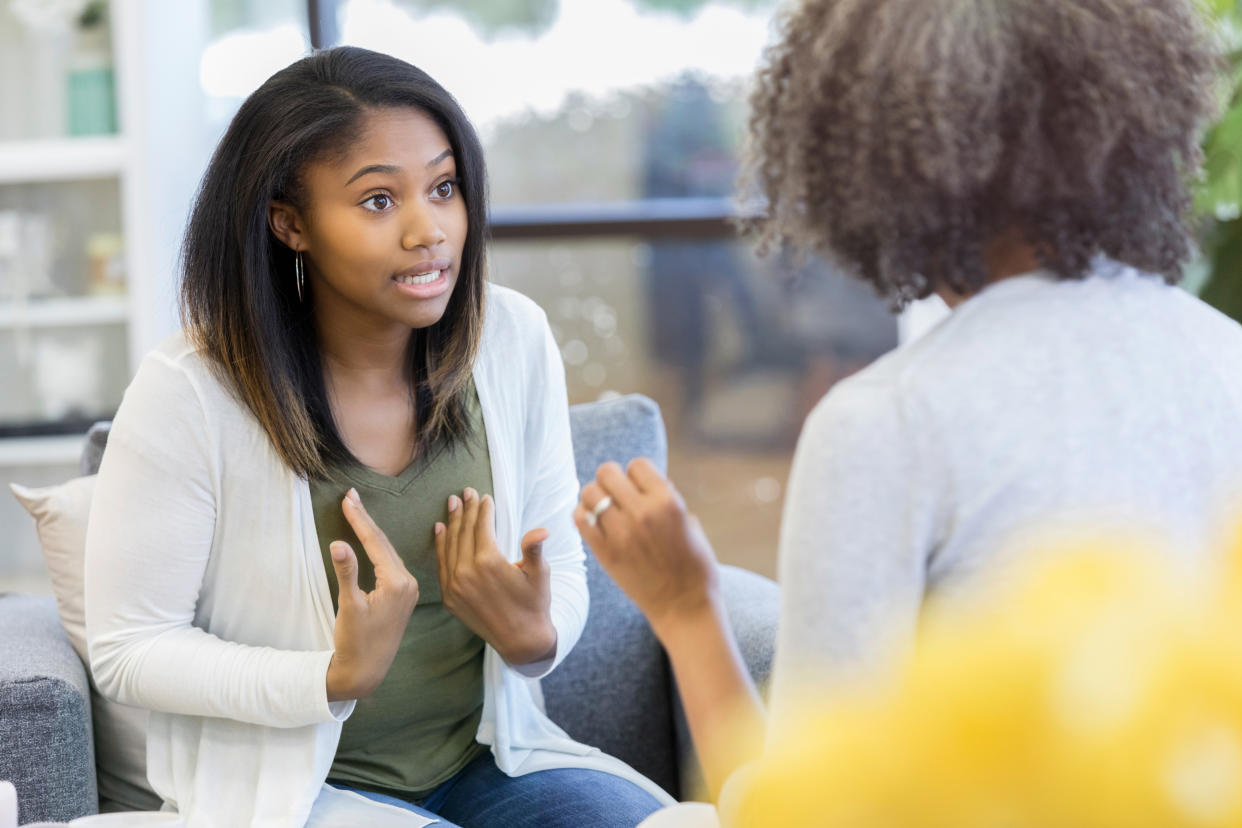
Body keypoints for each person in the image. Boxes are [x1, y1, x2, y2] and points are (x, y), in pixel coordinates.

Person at [574, 0, 1242, 803]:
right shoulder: (1226, 354)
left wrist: (685, 606)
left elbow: (806, 812)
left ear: (870, 157)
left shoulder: (887, 421)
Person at [83, 46, 669, 827]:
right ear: (290, 223)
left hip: (490, 763)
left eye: (443, 187)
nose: (429, 231)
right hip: (299, 792)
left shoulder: (513, 338)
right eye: (378, 202)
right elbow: (129, 648)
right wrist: (332, 674)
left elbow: (557, 571)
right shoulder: (192, 388)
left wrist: (532, 636)